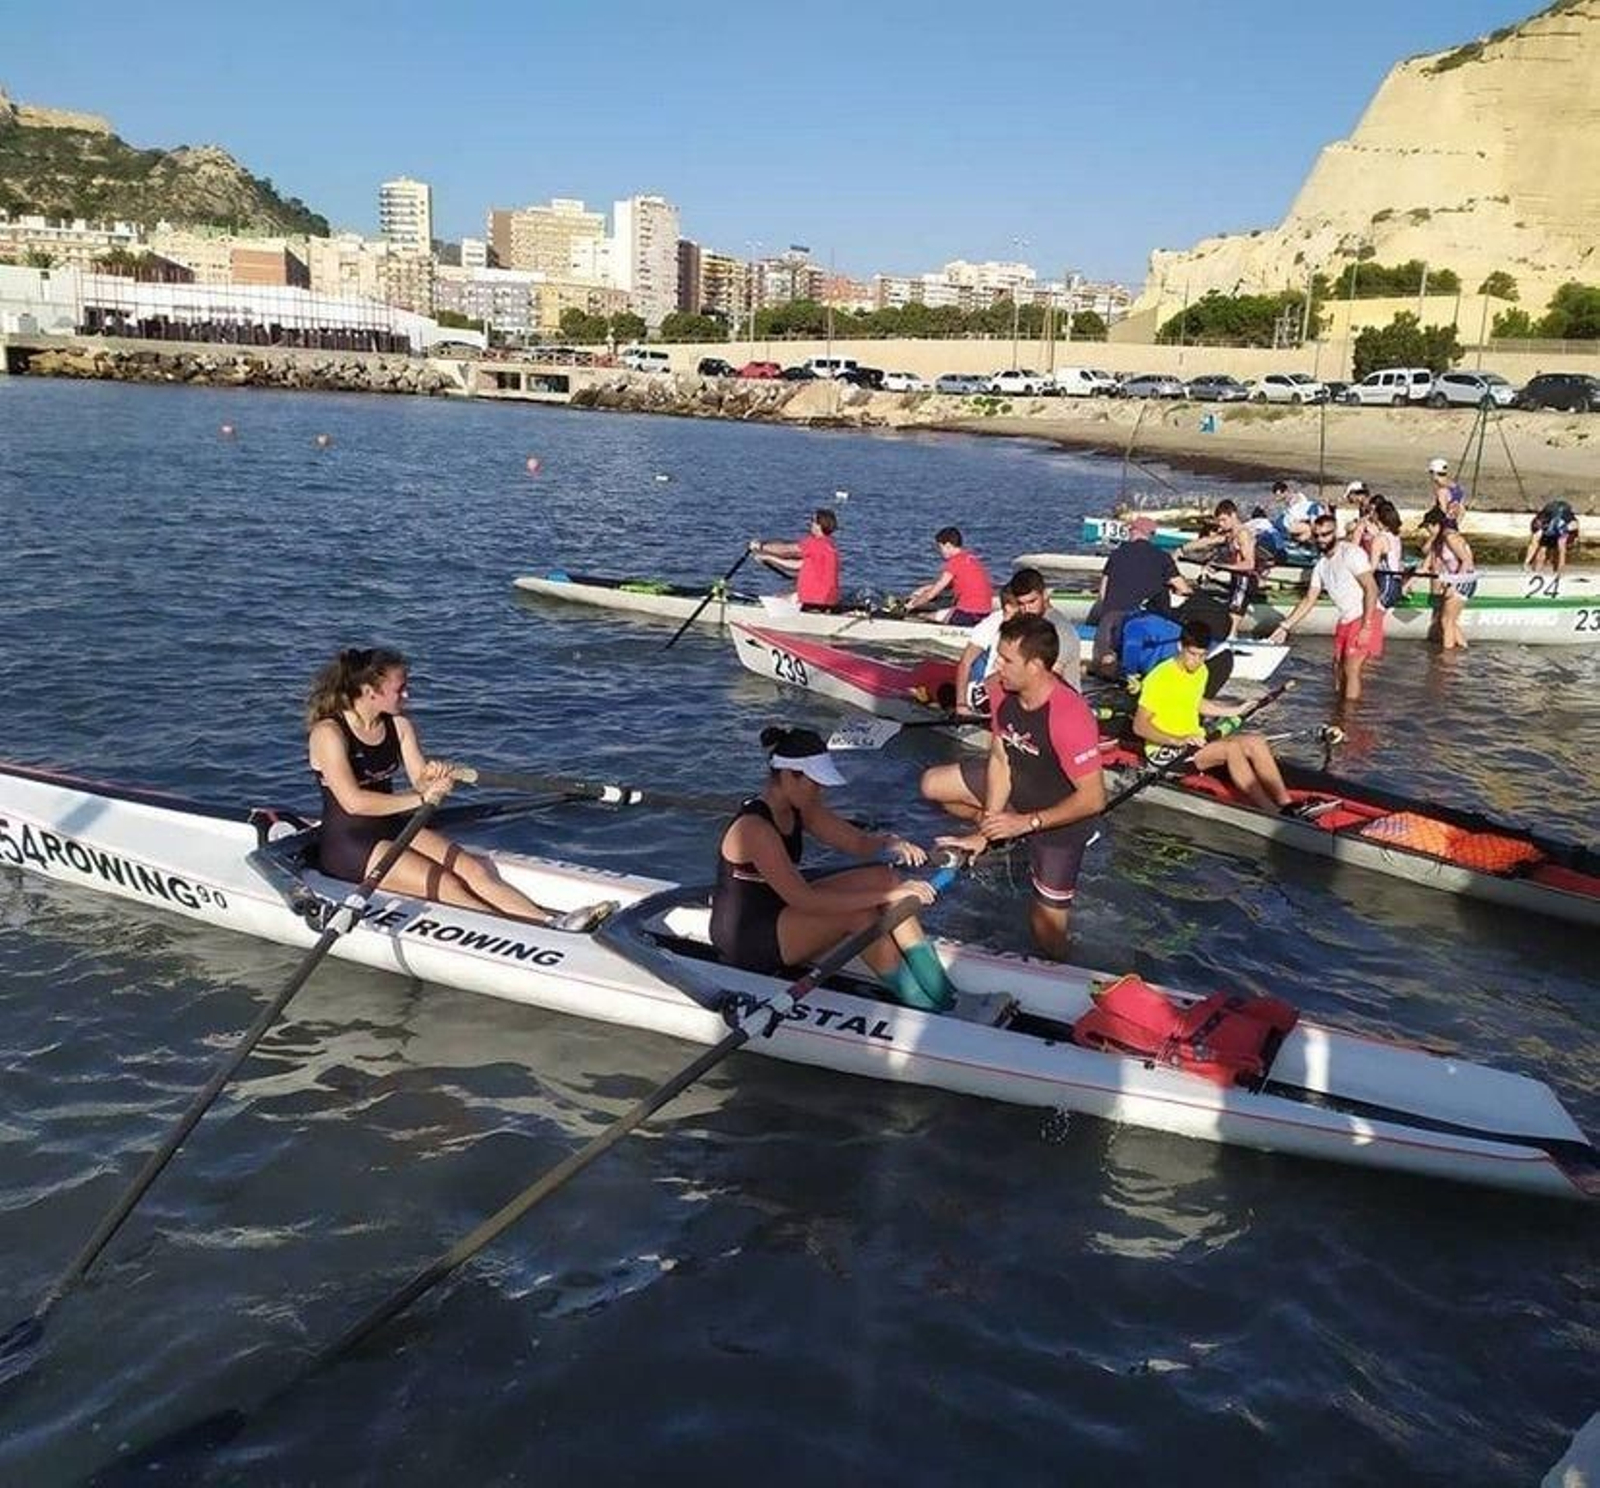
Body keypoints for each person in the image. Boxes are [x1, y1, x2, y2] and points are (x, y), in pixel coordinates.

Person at [306, 648, 615, 930]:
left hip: (391, 826)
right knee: (447, 884)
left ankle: (552, 922)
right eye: (400, 689)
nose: (407, 694)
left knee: (475, 869)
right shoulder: (329, 733)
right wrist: (421, 797)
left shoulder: (399, 726)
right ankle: (516, 931)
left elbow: (419, 781)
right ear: (369, 691)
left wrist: (433, 777)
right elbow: (353, 802)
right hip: (349, 844)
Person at [709, 726, 955, 1012]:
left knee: (884, 877)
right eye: (816, 783)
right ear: (790, 776)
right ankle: (924, 1004)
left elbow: (857, 842)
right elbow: (805, 900)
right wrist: (889, 898)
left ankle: (942, 989)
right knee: (860, 915)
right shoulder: (754, 829)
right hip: (748, 938)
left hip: (779, 911)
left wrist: (890, 842)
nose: (821, 790)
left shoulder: (802, 806)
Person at [924, 616, 1106, 959]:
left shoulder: (1069, 715)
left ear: (1036, 665)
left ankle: (1070, 979)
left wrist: (1026, 823)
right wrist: (987, 830)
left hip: (1062, 830)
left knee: (1045, 930)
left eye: (1007, 660)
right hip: (1024, 814)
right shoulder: (1003, 694)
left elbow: (1094, 798)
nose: (996, 666)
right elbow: (1000, 759)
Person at [1133, 621, 1314, 816]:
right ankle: (1272, 813)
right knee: (1231, 749)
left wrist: (1234, 710)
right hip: (1165, 751)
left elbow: (1196, 703)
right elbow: (1140, 726)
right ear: (1180, 647)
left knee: (1256, 741)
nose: (1197, 661)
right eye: (1192, 654)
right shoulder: (1159, 677)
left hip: (1194, 740)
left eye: (1202, 655)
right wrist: (1178, 740)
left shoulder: (1201, 671)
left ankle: (1286, 804)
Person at [1269, 511, 1382, 705]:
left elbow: (1371, 588)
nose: (1321, 540)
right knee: (1337, 667)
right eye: (1317, 536)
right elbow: (1309, 599)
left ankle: (1349, 716)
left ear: (1335, 532)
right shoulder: (1321, 566)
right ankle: (1337, 708)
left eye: (1326, 534)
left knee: (1351, 667)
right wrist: (1285, 626)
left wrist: (1367, 626)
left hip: (1365, 614)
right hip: (1346, 618)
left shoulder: (1350, 553)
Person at [957, 566, 1081, 710]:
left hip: (1060, 707)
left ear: (1045, 595)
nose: (1027, 609)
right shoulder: (1026, 623)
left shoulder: (1060, 630)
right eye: (1022, 604)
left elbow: (1048, 681)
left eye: (1032, 602)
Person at [1089, 515, 1190, 677]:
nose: (1129, 533)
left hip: (1111, 622)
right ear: (1150, 535)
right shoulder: (1163, 557)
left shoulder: (1116, 555)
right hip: (1142, 625)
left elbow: (1103, 593)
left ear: (1135, 532)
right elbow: (1184, 589)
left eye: (1130, 530)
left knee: (1105, 672)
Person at [1177, 500, 1265, 637]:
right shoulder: (1229, 535)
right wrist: (1182, 549)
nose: (1221, 524)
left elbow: (1249, 564)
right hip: (1237, 581)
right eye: (1219, 521)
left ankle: (1230, 646)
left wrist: (1221, 567)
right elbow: (1208, 541)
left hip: (1245, 582)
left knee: (1232, 622)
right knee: (1229, 620)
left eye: (1224, 520)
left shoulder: (1243, 534)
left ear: (1233, 515)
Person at [749, 508, 841, 609]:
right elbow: (796, 565)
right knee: (779, 597)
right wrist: (768, 558)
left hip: (813, 601)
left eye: (813, 521)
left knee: (773, 604)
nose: (810, 524)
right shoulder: (830, 546)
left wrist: (760, 546)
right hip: (824, 599)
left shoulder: (815, 543)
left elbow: (787, 550)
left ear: (819, 525)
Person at [905, 525, 995, 625]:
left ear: (947, 545)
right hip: (985, 613)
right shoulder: (971, 559)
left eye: (940, 547)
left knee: (920, 617)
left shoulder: (954, 562)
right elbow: (950, 584)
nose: (940, 551)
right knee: (929, 616)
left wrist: (912, 605)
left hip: (968, 613)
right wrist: (924, 588)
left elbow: (931, 595)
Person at [1418, 508, 1476, 650]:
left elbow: (1467, 561)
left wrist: (1454, 585)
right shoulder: (1441, 540)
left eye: (1428, 528)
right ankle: (1463, 648)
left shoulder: (1450, 538)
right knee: (1451, 621)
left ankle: (1447, 656)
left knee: (1446, 621)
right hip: (1459, 580)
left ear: (1437, 525)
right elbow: (1428, 555)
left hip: (1464, 580)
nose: (1428, 532)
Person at [1525, 500, 1580, 575]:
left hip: (1561, 526)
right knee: (1542, 550)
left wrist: (1560, 572)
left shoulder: (1567, 525)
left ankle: (1558, 572)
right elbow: (1533, 544)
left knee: (1559, 549)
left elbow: (1562, 550)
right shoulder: (1540, 524)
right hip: (1549, 524)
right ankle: (1536, 571)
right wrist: (1527, 563)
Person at [1426, 457, 1466, 529]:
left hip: (1444, 526)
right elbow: (1462, 511)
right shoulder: (1458, 488)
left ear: (1434, 473)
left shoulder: (1442, 491)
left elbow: (1442, 511)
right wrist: (1455, 525)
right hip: (1453, 525)